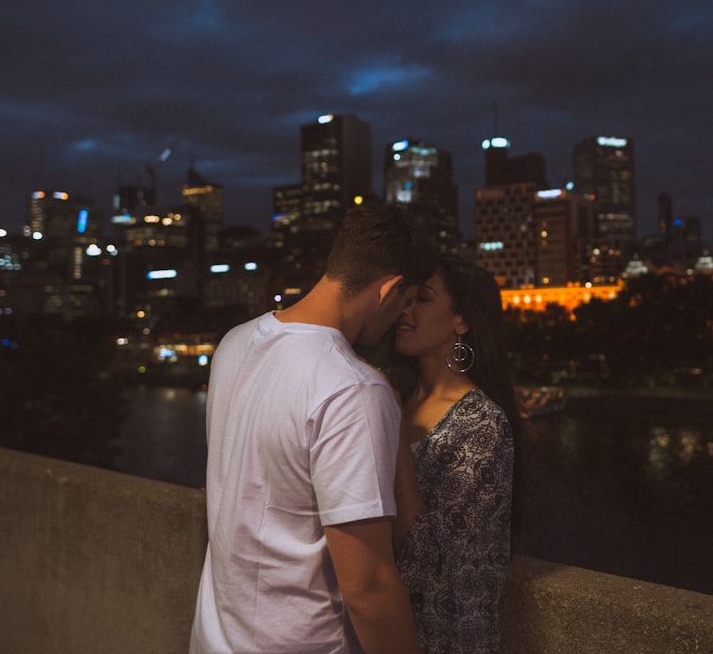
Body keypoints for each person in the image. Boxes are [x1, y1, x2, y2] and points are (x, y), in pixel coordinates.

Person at [189, 202, 429, 654]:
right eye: (406, 301)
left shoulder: (235, 342)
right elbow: (369, 587)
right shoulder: (352, 388)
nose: (402, 316)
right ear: (389, 289)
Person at [389, 254, 521, 654]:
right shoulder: (398, 399)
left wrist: (392, 435)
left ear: (461, 320)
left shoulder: (482, 425)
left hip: (443, 641)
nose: (404, 310)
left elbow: (427, 563)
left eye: (422, 299)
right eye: (404, 298)